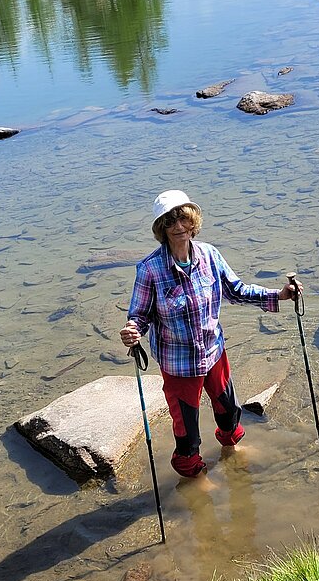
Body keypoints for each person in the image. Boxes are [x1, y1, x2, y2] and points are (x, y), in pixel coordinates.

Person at [120, 189, 302, 479]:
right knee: (187, 431)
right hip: (179, 365)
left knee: (229, 412)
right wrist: (133, 331)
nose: (179, 227)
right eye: (170, 221)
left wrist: (278, 295)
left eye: (184, 219)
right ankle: (192, 473)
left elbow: (236, 290)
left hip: (213, 353)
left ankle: (231, 449)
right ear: (161, 229)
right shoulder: (150, 269)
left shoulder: (209, 255)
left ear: (193, 222)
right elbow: (139, 315)